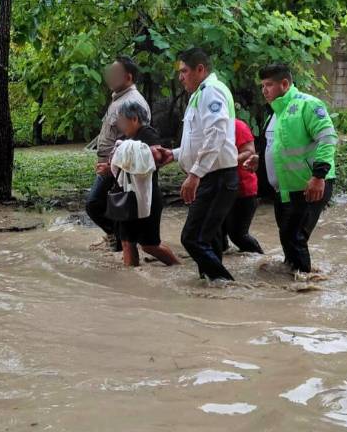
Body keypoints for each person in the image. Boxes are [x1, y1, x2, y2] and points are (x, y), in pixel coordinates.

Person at [155, 48, 239, 282]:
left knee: (193, 238)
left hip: (217, 177)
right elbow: (201, 142)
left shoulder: (210, 91)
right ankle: (211, 290)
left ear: (200, 69)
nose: (180, 77)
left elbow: (216, 134)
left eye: (184, 71)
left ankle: (227, 286)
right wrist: (172, 154)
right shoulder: (200, 94)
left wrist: (194, 174)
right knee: (208, 240)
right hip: (212, 176)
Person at [259, 63, 337, 274]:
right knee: (287, 237)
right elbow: (278, 148)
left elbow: (327, 138)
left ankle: (305, 285)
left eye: (269, 85)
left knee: (295, 236)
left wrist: (319, 176)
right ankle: (291, 276)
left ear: (285, 84)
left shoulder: (308, 105)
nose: (264, 90)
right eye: (262, 86)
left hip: (310, 185)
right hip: (284, 189)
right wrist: (257, 160)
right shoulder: (274, 113)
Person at [86, 56, 151, 251]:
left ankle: (119, 240)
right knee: (112, 205)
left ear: (128, 77)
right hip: (111, 164)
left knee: (94, 204)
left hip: (119, 167)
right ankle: (119, 241)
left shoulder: (132, 102)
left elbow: (140, 140)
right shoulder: (119, 99)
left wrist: (113, 165)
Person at [112, 101, 181, 268]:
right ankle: (131, 280)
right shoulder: (127, 138)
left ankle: (178, 267)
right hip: (128, 196)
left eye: (122, 121)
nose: (119, 125)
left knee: (149, 245)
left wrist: (124, 153)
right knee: (127, 241)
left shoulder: (148, 135)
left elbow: (153, 161)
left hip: (145, 197)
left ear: (134, 119)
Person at [221, 119, 264, 254]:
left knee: (238, 235)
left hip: (243, 189)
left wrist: (222, 163)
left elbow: (249, 152)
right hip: (220, 189)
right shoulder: (206, 126)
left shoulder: (237, 125)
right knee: (215, 231)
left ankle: (260, 260)